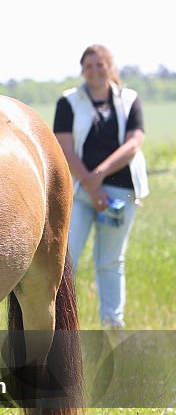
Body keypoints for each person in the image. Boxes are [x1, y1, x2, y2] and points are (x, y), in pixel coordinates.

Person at [53, 44, 147, 329]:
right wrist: (92, 185)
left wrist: (101, 173)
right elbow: (64, 148)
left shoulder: (130, 100)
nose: (95, 70)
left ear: (111, 66)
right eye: (89, 65)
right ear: (83, 70)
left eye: (100, 64)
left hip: (120, 192)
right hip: (80, 192)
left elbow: (134, 143)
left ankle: (113, 322)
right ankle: (60, 322)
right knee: (66, 258)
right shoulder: (68, 101)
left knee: (111, 260)